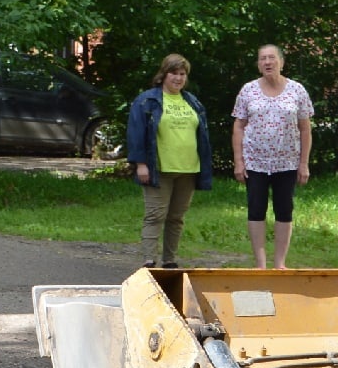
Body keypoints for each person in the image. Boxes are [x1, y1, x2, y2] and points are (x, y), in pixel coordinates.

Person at [126, 54, 213, 269]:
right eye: (174, 73)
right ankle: (149, 260)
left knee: (176, 218)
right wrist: (141, 164)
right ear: (163, 75)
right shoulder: (147, 101)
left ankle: (170, 260)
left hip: (188, 169)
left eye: (182, 74)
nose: (178, 78)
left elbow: (202, 135)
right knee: (155, 215)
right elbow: (136, 133)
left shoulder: (192, 101)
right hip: (159, 169)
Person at [232, 44, 315, 269]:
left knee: (284, 210)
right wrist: (239, 161)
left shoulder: (297, 90)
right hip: (255, 162)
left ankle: (279, 263)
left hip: (287, 162)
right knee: (256, 209)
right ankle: (260, 264)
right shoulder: (248, 90)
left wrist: (304, 163)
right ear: (258, 64)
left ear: (281, 62)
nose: (267, 62)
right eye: (263, 59)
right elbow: (238, 126)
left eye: (272, 58)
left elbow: (305, 129)